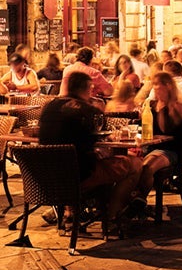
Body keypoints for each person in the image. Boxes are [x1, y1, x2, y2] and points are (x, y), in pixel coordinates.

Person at [39, 71, 143, 229]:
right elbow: (100, 139)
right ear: (88, 89)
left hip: (46, 177)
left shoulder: (48, 107)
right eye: (92, 88)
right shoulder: (87, 111)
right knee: (134, 164)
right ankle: (111, 217)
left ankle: (73, 210)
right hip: (80, 176)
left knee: (97, 161)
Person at [139, 72, 182, 204]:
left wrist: (164, 104)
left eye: (157, 84)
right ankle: (130, 200)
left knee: (147, 167)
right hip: (151, 147)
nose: (154, 87)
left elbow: (165, 129)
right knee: (132, 165)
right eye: (153, 84)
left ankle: (140, 200)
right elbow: (145, 128)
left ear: (168, 86)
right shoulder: (151, 105)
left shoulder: (176, 106)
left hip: (170, 150)